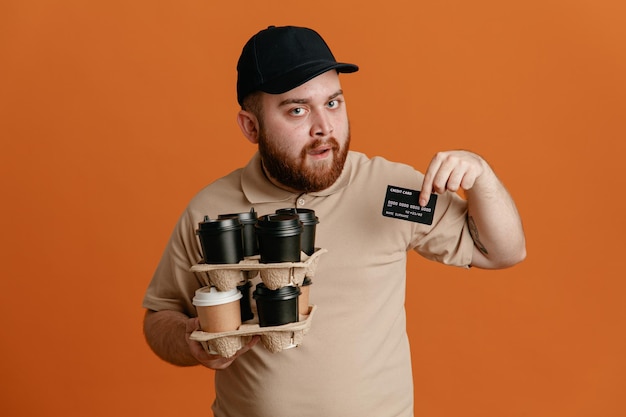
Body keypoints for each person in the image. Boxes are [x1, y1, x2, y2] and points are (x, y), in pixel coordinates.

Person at [142, 25, 526, 417]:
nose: (324, 127)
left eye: (333, 103)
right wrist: (189, 339)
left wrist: (482, 178)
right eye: (297, 109)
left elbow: (502, 252)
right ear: (250, 126)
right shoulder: (211, 212)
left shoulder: (391, 192)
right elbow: (159, 317)